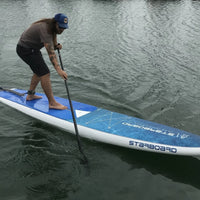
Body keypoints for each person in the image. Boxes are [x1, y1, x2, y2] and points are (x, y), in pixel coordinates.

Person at [16, 13, 69, 110]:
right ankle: (52, 103)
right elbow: (51, 53)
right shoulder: (45, 29)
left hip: (32, 49)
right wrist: (59, 70)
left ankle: (30, 95)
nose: (62, 30)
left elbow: (53, 37)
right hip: (25, 49)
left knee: (39, 71)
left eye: (64, 28)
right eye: (61, 27)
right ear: (55, 23)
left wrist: (56, 45)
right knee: (45, 73)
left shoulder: (51, 27)